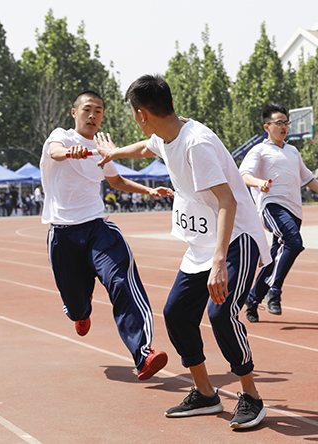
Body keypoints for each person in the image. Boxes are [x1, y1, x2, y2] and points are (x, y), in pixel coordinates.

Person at [95, 74, 271, 429]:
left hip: (236, 240)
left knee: (221, 315)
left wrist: (219, 261)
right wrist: (115, 153)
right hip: (203, 245)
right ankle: (206, 393)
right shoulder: (165, 135)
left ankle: (251, 396)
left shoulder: (195, 144)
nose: (134, 118)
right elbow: (147, 148)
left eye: (132, 112)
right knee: (176, 313)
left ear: (142, 113)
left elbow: (227, 201)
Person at [40, 90, 171, 381]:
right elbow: (55, 153)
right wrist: (70, 152)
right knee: (76, 307)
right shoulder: (60, 136)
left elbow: (116, 180)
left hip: (98, 228)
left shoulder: (103, 148)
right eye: (87, 110)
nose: (93, 115)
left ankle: (143, 353)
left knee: (122, 282)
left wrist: (148, 190)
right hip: (63, 234)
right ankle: (80, 311)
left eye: (99, 111)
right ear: (75, 113)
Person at [239, 103, 318, 323]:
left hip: (294, 211)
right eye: (278, 123)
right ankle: (275, 291)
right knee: (294, 242)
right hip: (272, 207)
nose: (283, 126)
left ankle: (252, 299)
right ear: (266, 127)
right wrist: (259, 183)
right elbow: (243, 175)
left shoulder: (292, 151)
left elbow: (309, 179)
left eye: (286, 122)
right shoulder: (259, 150)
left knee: (274, 259)